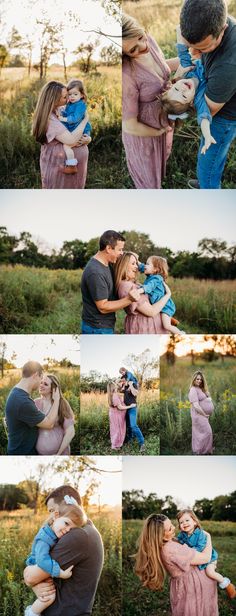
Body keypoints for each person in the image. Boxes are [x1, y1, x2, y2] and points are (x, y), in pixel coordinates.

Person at [180, 0, 236, 189]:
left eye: (203, 49)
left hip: (223, 118)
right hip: (214, 93)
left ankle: (208, 186)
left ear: (223, 29)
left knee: (209, 162)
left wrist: (176, 100)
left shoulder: (228, 66)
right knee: (206, 152)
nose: (195, 52)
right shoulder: (205, 22)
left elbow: (208, 111)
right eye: (191, 45)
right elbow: (190, 54)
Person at [24, 485, 104, 616]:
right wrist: (36, 584)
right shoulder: (87, 530)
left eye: (52, 510)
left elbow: (30, 577)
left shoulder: (78, 536)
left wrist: (32, 580)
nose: (51, 517)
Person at [122, 13, 178, 188]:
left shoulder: (149, 41)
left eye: (141, 37)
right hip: (146, 134)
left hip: (163, 122)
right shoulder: (125, 74)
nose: (144, 46)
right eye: (133, 50)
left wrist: (190, 59)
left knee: (161, 163)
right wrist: (158, 132)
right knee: (149, 181)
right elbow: (129, 125)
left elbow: (160, 69)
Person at [135, 513, 219, 616]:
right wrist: (208, 537)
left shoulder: (164, 544)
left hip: (185, 585)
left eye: (172, 524)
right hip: (192, 587)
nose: (175, 527)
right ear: (160, 535)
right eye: (170, 528)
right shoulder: (171, 549)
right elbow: (206, 558)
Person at [161, 26, 215, 155]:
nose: (183, 89)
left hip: (209, 44)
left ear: (173, 83)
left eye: (177, 89)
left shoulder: (186, 71)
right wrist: (207, 135)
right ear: (191, 102)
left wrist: (180, 30)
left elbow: (182, 51)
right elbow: (203, 117)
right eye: (184, 96)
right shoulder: (199, 97)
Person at [25, 503, 87, 616]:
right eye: (66, 523)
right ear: (56, 516)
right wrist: (60, 573)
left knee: (47, 594)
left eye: (71, 529)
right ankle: (31, 613)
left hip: (40, 568)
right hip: (37, 565)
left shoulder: (52, 533)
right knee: (49, 597)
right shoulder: (44, 538)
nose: (67, 530)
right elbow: (42, 560)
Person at [32, 81, 91, 189]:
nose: (68, 99)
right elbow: (72, 140)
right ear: (54, 100)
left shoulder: (60, 109)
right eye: (65, 97)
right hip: (60, 170)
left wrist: (88, 138)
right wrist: (85, 120)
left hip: (75, 171)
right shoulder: (51, 120)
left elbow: (75, 128)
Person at [81, 230, 140, 334]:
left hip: (103, 326)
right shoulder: (95, 272)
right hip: (97, 329)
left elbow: (130, 257)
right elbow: (103, 307)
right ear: (108, 248)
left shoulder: (108, 263)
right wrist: (129, 299)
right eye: (120, 249)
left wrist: (146, 268)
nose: (122, 253)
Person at [177, 509, 236, 599]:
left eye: (187, 520)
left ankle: (228, 585)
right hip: (198, 558)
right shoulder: (182, 534)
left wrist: (188, 550)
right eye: (181, 522)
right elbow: (179, 541)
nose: (184, 523)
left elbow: (200, 547)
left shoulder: (200, 534)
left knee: (210, 572)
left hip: (209, 558)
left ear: (195, 522)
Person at [5, 361, 60, 455]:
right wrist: (57, 400)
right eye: (41, 378)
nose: (40, 384)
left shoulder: (16, 392)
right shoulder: (23, 401)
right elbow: (49, 424)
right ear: (35, 375)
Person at [114, 252, 171, 334]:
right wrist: (168, 295)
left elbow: (142, 267)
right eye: (133, 264)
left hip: (152, 329)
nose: (136, 267)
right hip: (144, 329)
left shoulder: (134, 284)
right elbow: (151, 312)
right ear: (124, 266)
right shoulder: (127, 286)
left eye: (136, 264)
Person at [137, 255, 184, 334]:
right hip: (159, 304)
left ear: (156, 269)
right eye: (145, 263)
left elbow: (149, 287)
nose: (145, 265)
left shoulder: (157, 278)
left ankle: (181, 334)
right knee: (161, 319)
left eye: (148, 264)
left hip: (165, 307)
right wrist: (136, 261)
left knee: (166, 326)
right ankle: (170, 318)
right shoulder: (150, 274)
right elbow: (142, 267)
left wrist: (139, 290)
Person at [57, 79, 92, 173]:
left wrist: (63, 119)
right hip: (74, 129)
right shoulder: (70, 103)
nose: (72, 97)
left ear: (82, 95)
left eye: (75, 94)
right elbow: (67, 113)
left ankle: (71, 165)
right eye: (69, 94)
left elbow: (75, 118)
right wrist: (62, 111)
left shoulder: (80, 105)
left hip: (82, 130)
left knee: (67, 146)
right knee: (69, 144)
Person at [35, 374, 75, 456]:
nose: (41, 385)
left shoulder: (62, 403)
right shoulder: (35, 403)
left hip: (60, 454)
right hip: (40, 455)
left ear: (53, 389)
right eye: (41, 382)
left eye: (45, 384)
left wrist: (58, 454)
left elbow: (70, 432)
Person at [188, 370, 214, 455]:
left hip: (202, 414)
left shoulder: (200, 388)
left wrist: (207, 394)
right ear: (193, 380)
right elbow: (196, 405)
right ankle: (201, 451)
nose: (199, 381)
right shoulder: (193, 389)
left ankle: (205, 449)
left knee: (202, 433)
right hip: (198, 414)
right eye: (197, 379)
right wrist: (205, 414)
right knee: (207, 432)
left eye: (200, 379)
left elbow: (205, 399)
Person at [107, 381, 136, 450]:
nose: (116, 385)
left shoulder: (113, 394)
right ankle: (115, 445)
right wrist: (130, 406)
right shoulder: (114, 396)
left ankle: (116, 444)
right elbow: (120, 407)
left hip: (115, 414)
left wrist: (126, 387)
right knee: (117, 430)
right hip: (116, 415)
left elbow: (121, 390)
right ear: (113, 387)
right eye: (115, 384)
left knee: (115, 429)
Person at [121, 377, 145, 453]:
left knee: (133, 425)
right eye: (122, 381)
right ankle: (130, 440)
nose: (123, 382)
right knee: (128, 426)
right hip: (126, 409)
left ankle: (142, 443)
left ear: (128, 380)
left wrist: (130, 385)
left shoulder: (133, 385)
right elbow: (119, 390)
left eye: (124, 381)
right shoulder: (124, 387)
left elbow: (135, 393)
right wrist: (124, 385)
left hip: (132, 408)